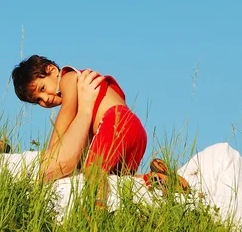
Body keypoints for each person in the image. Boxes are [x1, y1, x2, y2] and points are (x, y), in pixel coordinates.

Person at [0, 107, 242, 231]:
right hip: (112, 202)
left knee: (217, 163)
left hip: (117, 190)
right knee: (222, 161)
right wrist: (87, 106)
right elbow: (63, 161)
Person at [11, 56, 147, 183]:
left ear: (52, 70)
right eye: (38, 100)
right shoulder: (81, 99)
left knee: (93, 172)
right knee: (119, 180)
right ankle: (151, 179)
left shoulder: (68, 77)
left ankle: (98, 208)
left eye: (43, 88)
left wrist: (52, 153)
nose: (45, 99)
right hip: (135, 132)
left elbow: (67, 110)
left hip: (116, 122)